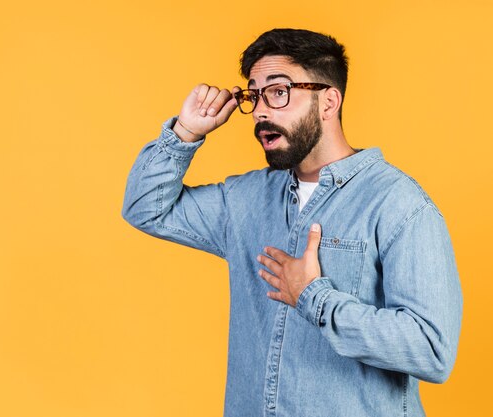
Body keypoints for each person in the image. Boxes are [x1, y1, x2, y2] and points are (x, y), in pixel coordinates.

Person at [121, 28, 462, 417]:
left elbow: (432, 350)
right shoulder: (245, 200)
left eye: (278, 91)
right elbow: (145, 207)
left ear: (328, 101)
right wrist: (184, 133)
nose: (261, 110)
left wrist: (313, 297)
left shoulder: (399, 205)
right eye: (254, 94)